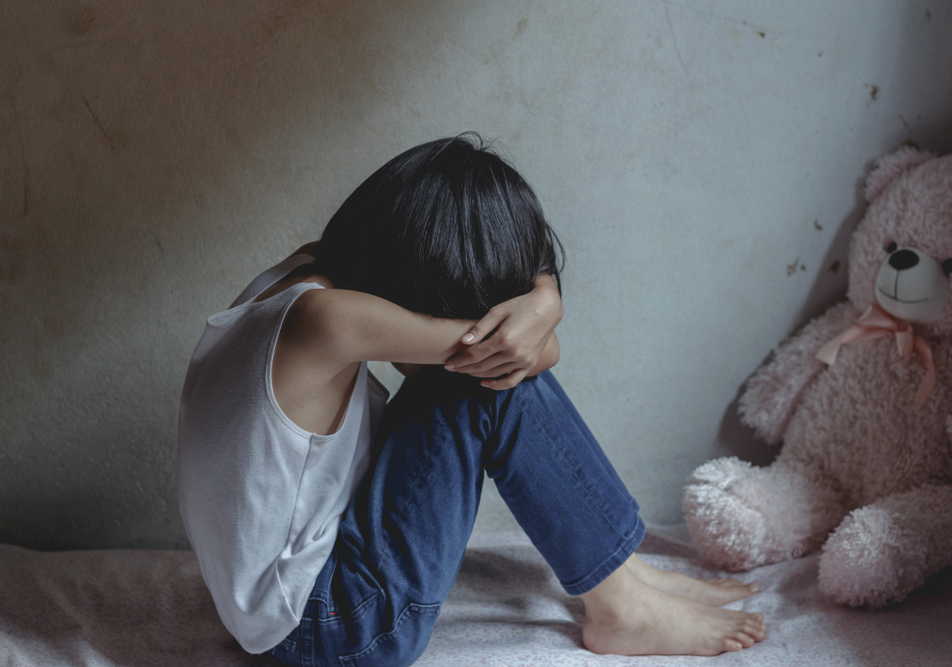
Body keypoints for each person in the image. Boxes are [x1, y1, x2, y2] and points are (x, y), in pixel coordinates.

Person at [177, 134, 766, 667]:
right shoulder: (329, 322)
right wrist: (547, 300)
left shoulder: (309, 271)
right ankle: (622, 607)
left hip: (284, 607)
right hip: (333, 627)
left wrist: (542, 295)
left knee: (479, 368)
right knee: (482, 381)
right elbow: (535, 351)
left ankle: (624, 572)